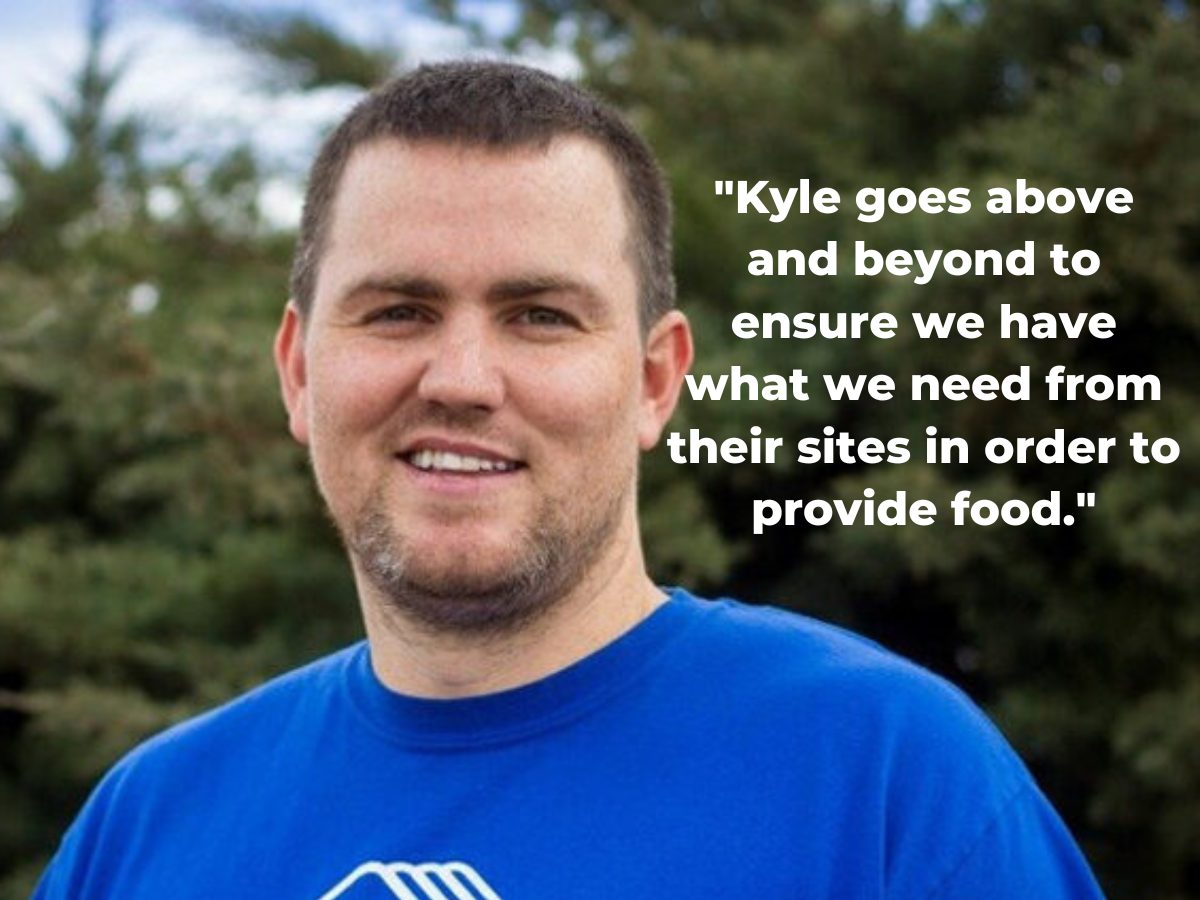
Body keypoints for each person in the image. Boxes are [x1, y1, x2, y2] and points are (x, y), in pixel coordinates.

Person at [34, 60, 1105, 899]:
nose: (460, 379)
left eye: (540, 316)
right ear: (302, 370)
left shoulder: (887, 785)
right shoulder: (144, 829)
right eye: (398, 310)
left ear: (652, 380)